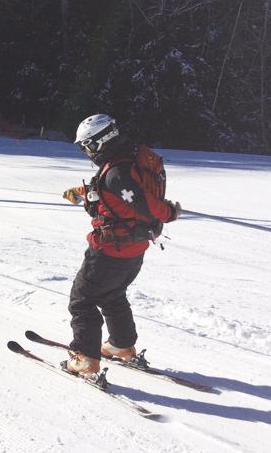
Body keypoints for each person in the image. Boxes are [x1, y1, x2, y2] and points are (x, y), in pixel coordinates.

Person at [61, 114, 181, 377]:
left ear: (102, 141)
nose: (86, 152)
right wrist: (81, 193)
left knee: (82, 300)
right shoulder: (125, 159)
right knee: (112, 294)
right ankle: (121, 345)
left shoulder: (117, 172)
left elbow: (144, 204)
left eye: (88, 146)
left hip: (109, 251)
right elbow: (115, 191)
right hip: (132, 250)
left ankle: (85, 357)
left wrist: (169, 212)